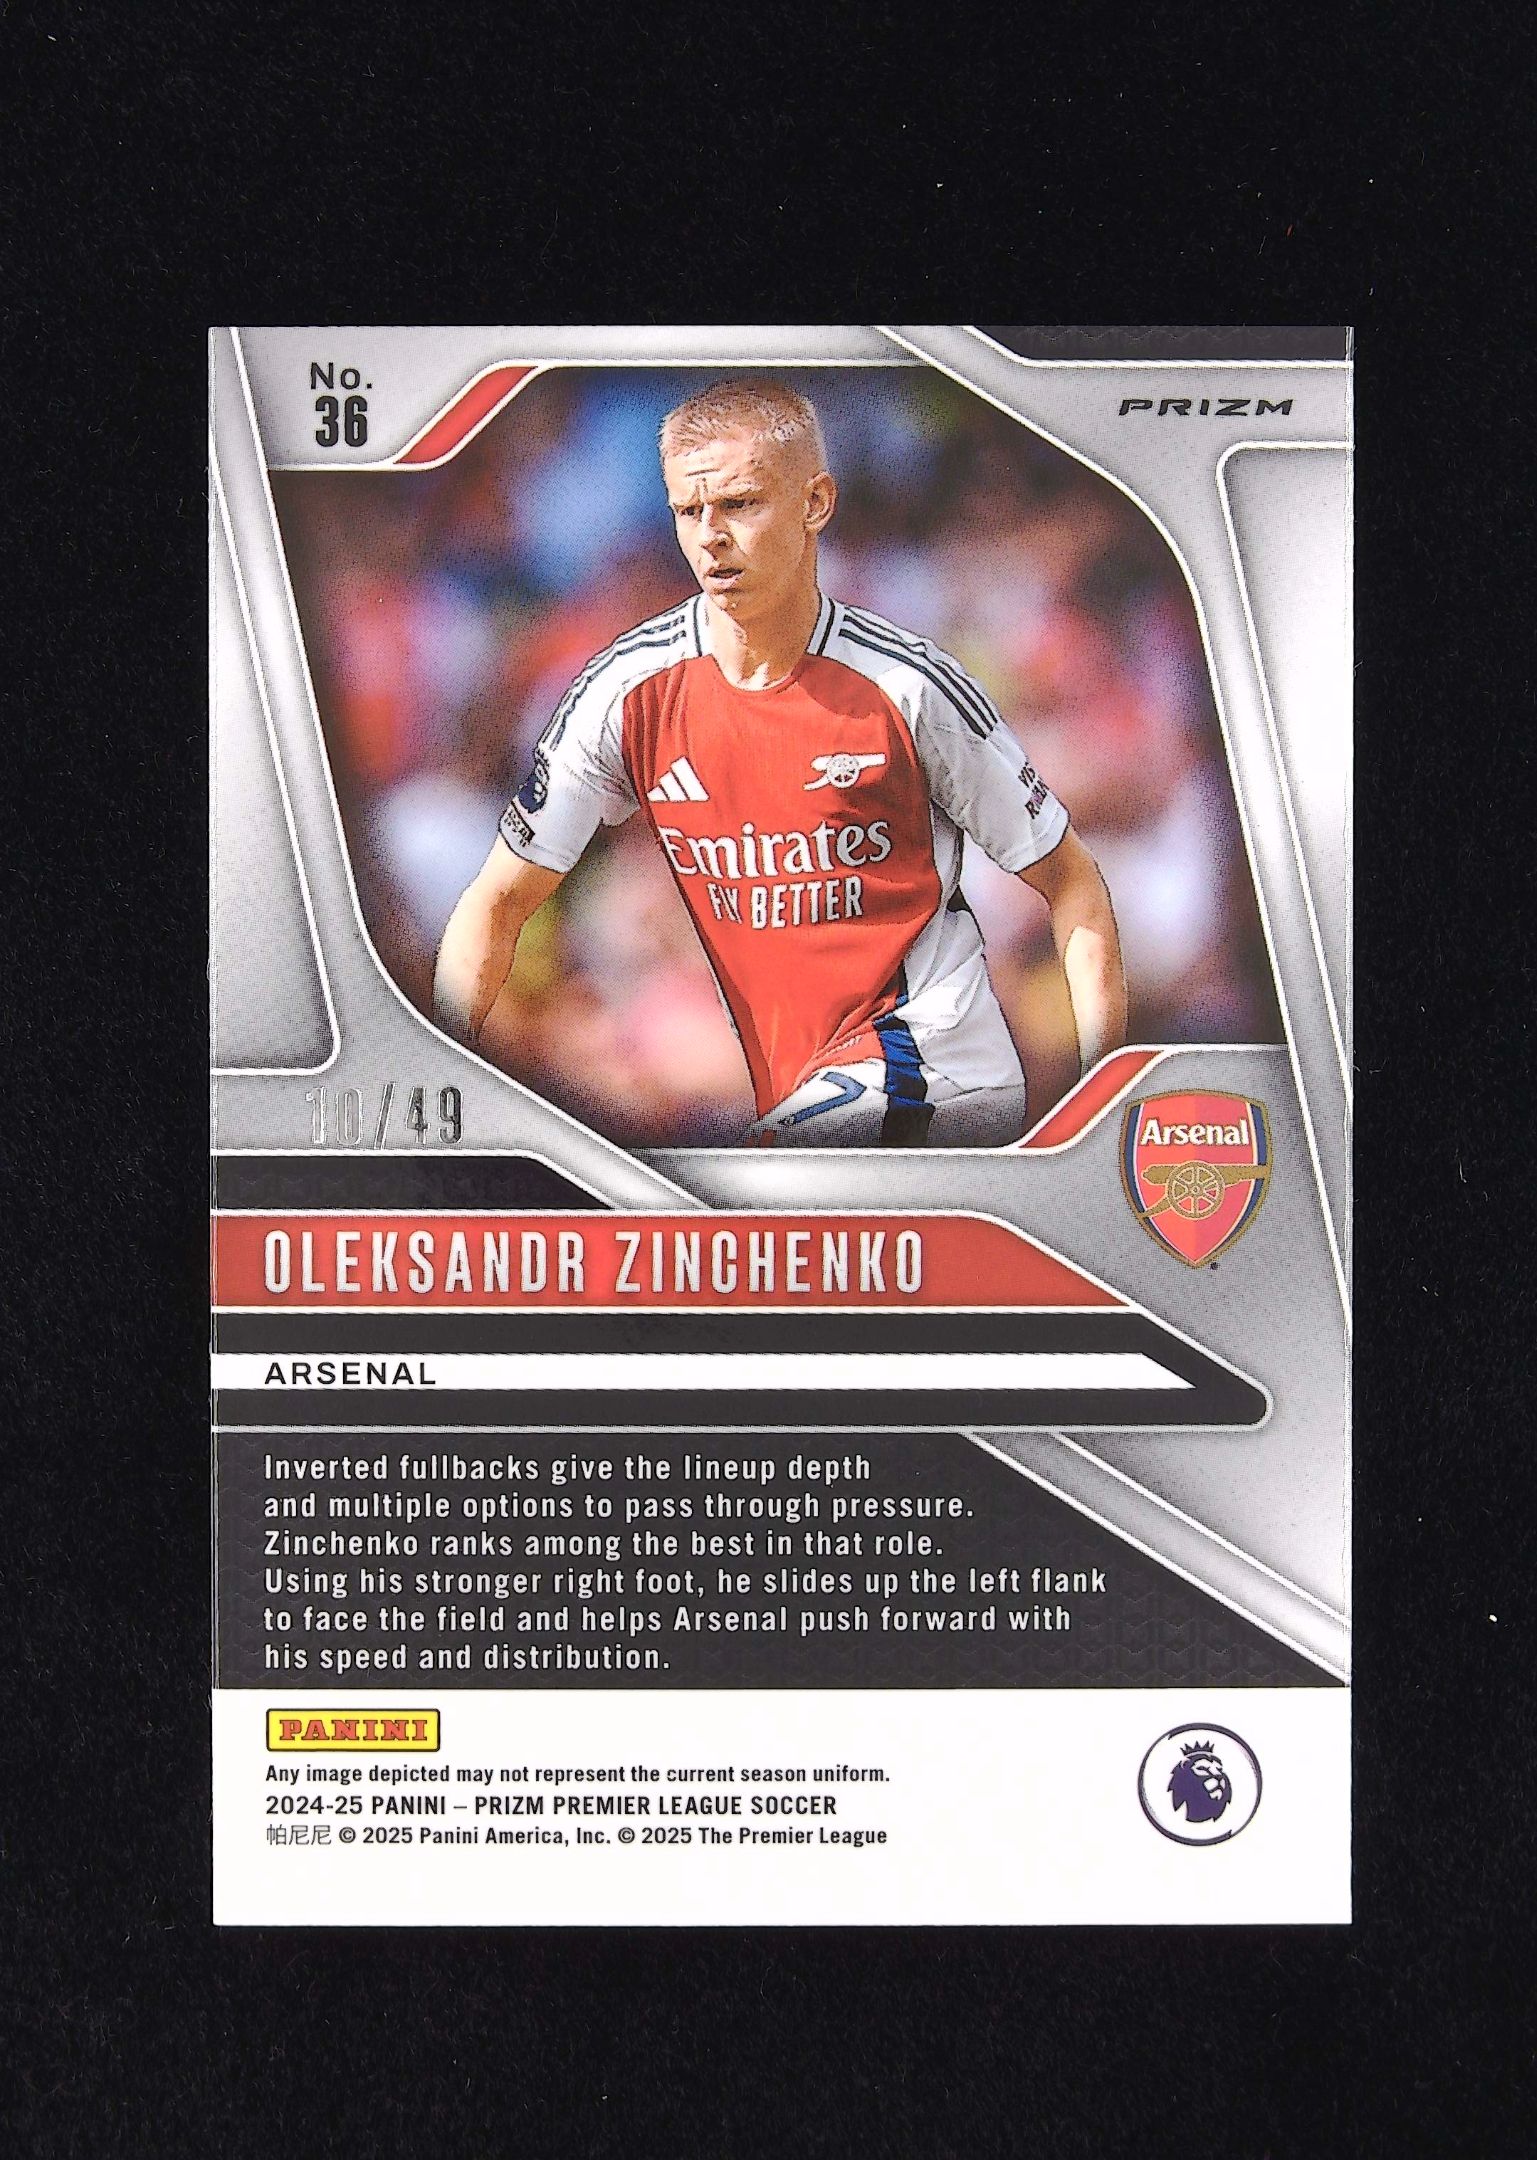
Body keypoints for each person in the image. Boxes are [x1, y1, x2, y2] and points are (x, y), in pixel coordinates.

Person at [435, 379, 1126, 1146]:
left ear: (813, 504)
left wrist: (1095, 1110)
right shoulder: (617, 696)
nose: (712, 539)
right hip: (680, 1121)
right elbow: (498, 906)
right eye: (689, 512)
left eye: (740, 505)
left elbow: (1067, 881)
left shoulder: (908, 691)